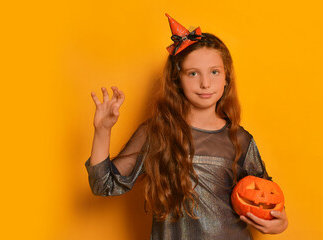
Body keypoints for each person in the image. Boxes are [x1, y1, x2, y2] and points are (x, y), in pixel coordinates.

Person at [85, 14, 288, 239]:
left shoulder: (239, 139)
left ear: (226, 78)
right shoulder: (157, 133)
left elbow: (266, 198)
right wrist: (102, 131)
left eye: (214, 72)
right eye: (193, 73)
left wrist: (279, 223)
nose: (205, 83)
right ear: (176, 80)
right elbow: (103, 186)